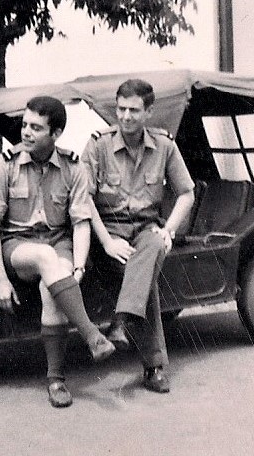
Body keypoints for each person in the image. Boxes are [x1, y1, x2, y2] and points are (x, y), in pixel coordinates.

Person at [0, 95, 115, 408]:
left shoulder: (73, 167)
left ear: (55, 134)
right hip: (18, 245)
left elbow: (81, 223)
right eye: (25, 125)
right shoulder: (5, 164)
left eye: (36, 128)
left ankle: (55, 380)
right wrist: (0, 278)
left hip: (60, 242)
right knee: (45, 259)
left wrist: (79, 267)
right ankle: (92, 335)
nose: (26, 132)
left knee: (50, 288)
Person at [81, 78, 195, 393]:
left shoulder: (164, 146)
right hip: (109, 230)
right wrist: (105, 240)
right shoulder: (98, 145)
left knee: (153, 247)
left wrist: (168, 229)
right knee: (145, 277)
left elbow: (187, 193)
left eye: (134, 110)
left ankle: (122, 322)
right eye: (121, 109)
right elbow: (84, 198)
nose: (126, 116)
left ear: (148, 112)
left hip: (147, 226)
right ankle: (153, 366)